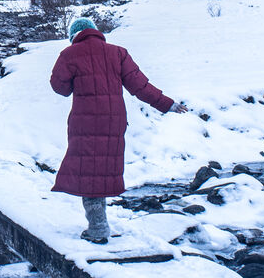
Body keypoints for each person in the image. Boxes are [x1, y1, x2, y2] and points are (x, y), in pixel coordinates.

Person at [49, 16, 187, 243]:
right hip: (113, 121)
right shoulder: (118, 53)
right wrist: (167, 104)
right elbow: (140, 86)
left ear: (74, 36)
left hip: (84, 123)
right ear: (95, 31)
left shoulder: (69, 54)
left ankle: (98, 227)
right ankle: (99, 223)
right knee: (101, 171)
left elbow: (60, 88)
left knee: (87, 173)